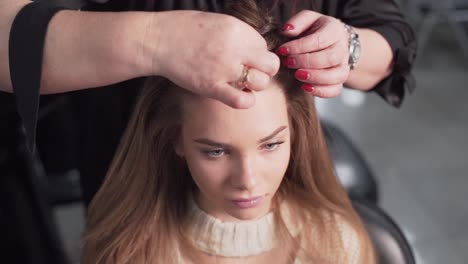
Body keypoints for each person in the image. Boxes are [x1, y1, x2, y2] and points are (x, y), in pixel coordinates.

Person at [0, 0, 416, 206]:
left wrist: (350, 48)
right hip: (134, 182)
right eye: (213, 149)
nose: (247, 182)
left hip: (288, 192)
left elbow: (392, 39)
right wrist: (152, 40)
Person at [81, 1, 375, 262]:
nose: (247, 180)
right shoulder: (128, 254)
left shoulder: (338, 245)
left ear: (296, 133)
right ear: (174, 139)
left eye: (270, 145)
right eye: (216, 151)